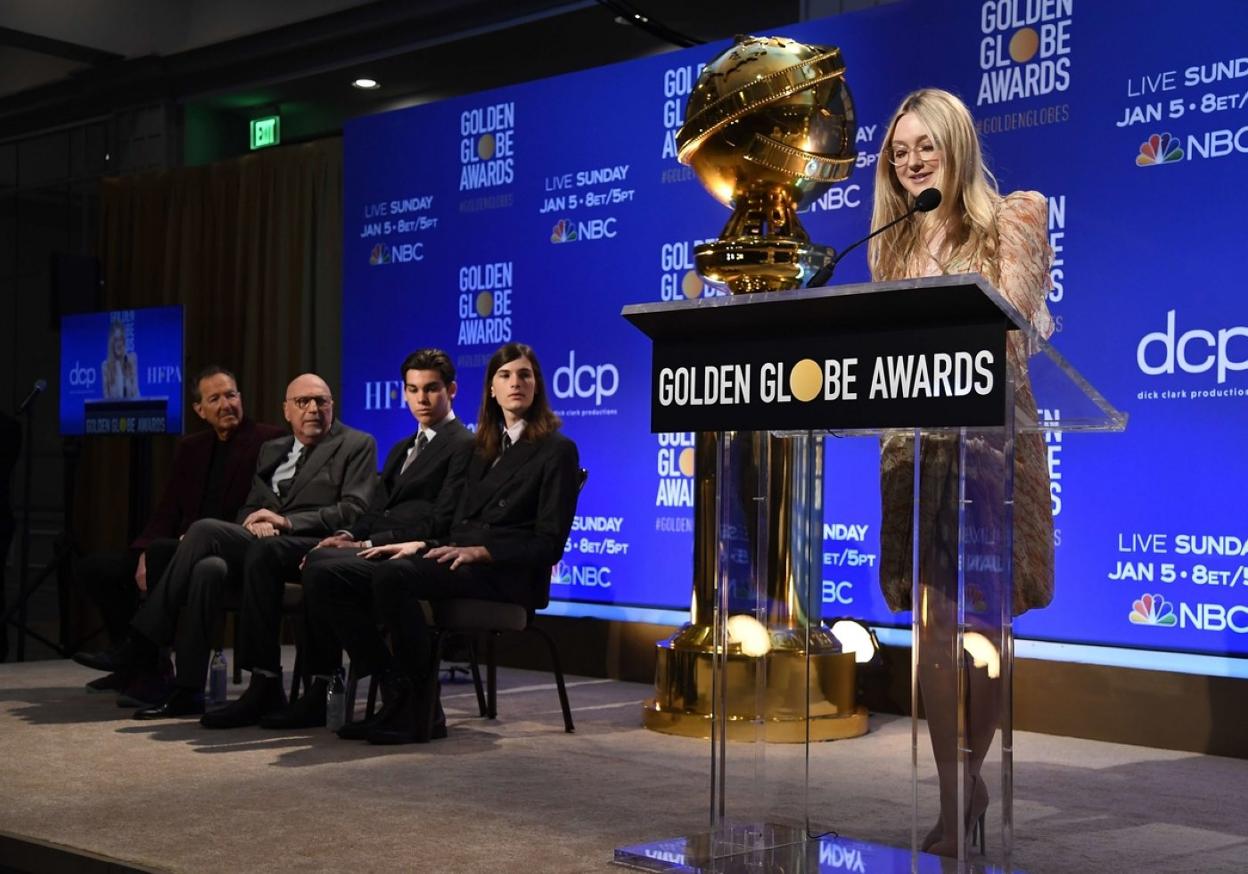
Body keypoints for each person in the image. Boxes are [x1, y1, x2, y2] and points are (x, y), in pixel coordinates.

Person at [869, 88, 1055, 858]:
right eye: (900, 152)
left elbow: (1013, 323)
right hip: (916, 451)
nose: (913, 162)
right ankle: (952, 797)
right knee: (932, 627)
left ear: (957, 147)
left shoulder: (1016, 216)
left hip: (990, 451)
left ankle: (973, 779)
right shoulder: (889, 244)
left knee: (984, 625)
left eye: (926, 147)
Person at [78, 373, 377, 719]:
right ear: (286, 410)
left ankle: (141, 644)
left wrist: (285, 521)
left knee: (203, 530)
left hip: (312, 542)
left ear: (332, 405)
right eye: (302, 402)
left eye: (320, 401)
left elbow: (354, 508)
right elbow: (250, 505)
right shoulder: (273, 450)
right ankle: (188, 690)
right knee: (206, 568)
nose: (313, 409)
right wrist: (254, 520)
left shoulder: (356, 443)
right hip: (262, 539)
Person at [328, 342, 580, 745]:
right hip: (461, 558)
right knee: (343, 576)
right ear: (492, 389)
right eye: (505, 376)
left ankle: (417, 707)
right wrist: (421, 544)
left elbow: (549, 544)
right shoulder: (484, 447)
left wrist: (483, 551)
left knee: (393, 577)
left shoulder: (557, 450)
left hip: (507, 574)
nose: (515, 383)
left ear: (537, 385)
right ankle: (399, 692)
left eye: (525, 375)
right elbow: (457, 523)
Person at [208, 349, 475, 729]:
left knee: (320, 569)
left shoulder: (463, 444)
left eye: (431, 389)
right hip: (376, 543)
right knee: (284, 554)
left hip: (412, 551)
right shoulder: (403, 447)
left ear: (451, 390)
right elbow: (375, 509)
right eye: (414, 390)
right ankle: (278, 680)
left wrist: (367, 543)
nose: (422, 399)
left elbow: (442, 518)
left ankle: (359, 683)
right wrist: (346, 535)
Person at [71, 366, 284, 700]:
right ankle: (134, 664)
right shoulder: (192, 447)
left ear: (241, 397)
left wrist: (189, 540)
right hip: (179, 544)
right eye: (215, 399)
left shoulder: (269, 441)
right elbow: (168, 509)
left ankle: (146, 666)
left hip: (228, 546)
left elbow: (266, 504)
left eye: (231, 395)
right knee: (97, 569)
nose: (226, 404)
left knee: (163, 555)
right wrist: (144, 549)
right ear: (199, 410)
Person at [101, 320, 139, 399]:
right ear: (111, 343)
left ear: (124, 341)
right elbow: (106, 398)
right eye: (115, 340)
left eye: (121, 339)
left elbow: (136, 392)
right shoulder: (106, 366)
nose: (119, 343)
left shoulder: (131, 360)